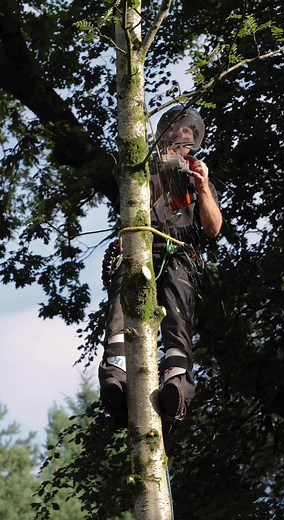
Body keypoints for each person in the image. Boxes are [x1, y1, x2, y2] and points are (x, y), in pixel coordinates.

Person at [98, 105, 222, 436]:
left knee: (177, 320)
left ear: (194, 140)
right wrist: (160, 178)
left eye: (189, 132)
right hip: (138, 248)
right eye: (178, 130)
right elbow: (131, 203)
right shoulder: (141, 171)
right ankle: (116, 374)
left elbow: (213, 228)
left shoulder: (198, 175)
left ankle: (175, 383)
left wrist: (202, 188)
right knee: (121, 313)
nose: (183, 135)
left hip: (179, 253)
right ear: (165, 133)